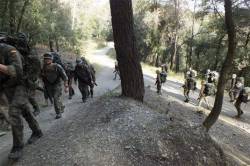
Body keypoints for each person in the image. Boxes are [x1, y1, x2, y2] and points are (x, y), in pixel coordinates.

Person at [0, 35, 42, 160]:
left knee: (14, 112)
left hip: (22, 83)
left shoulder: (9, 50)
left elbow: (17, 71)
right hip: (7, 87)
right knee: (24, 110)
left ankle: (18, 147)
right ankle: (37, 131)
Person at [41, 53, 68, 119]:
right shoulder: (43, 67)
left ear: (51, 59)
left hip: (57, 84)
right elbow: (42, 77)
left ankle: (58, 113)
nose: (47, 60)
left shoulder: (57, 66)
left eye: (48, 59)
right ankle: (61, 106)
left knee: (56, 98)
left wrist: (66, 86)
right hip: (49, 86)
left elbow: (64, 76)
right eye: (45, 59)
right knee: (55, 98)